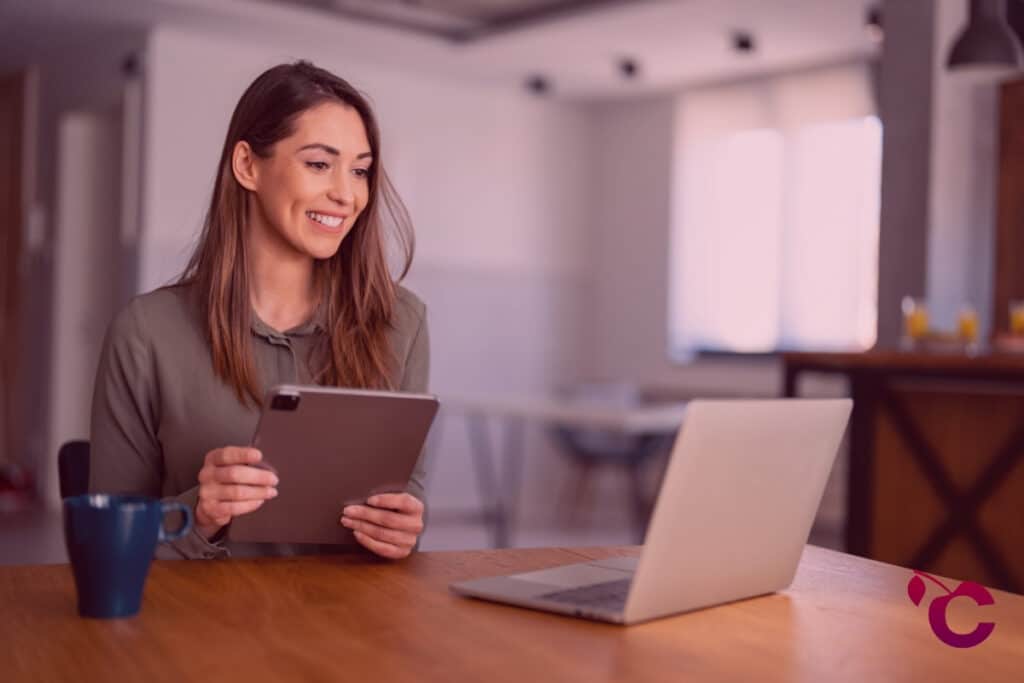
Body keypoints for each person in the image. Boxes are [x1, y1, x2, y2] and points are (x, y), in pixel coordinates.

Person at [89, 61, 428, 560]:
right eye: (319, 164)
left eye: (360, 170)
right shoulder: (145, 333)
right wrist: (198, 513)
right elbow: (104, 542)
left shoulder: (402, 322)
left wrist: (400, 529)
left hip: (351, 630)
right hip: (194, 628)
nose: (347, 193)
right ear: (247, 165)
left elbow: (406, 497)